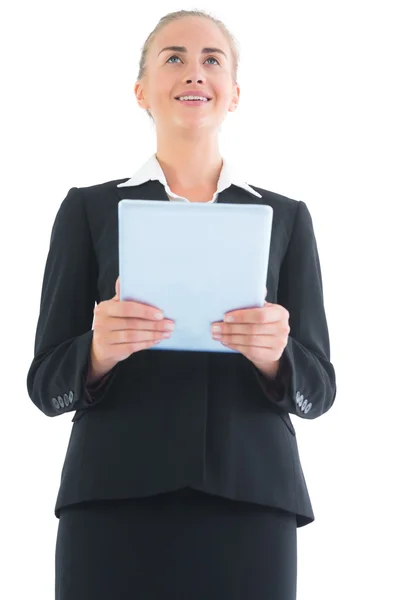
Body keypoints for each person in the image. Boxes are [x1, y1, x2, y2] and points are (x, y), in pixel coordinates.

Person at [26, 9, 336, 600]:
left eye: (211, 60)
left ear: (235, 94)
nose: (194, 72)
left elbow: (319, 388)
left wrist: (277, 357)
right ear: (141, 91)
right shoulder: (87, 210)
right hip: (112, 500)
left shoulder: (287, 218)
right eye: (174, 58)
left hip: (252, 500)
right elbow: (45, 383)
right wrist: (94, 353)